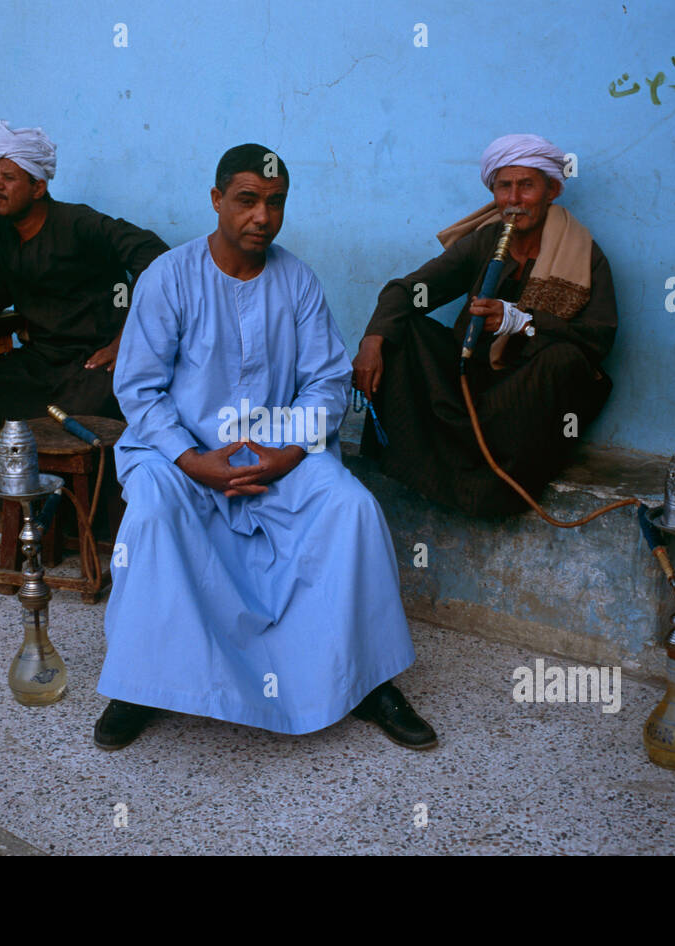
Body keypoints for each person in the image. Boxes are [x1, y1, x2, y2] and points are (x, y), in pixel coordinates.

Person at [94, 144, 436, 751]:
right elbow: (140, 389)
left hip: (281, 454)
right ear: (217, 199)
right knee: (150, 514)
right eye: (247, 200)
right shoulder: (169, 277)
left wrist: (293, 452)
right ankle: (139, 683)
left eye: (274, 204)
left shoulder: (297, 279)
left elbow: (327, 380)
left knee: (350, 508)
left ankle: (367, 680)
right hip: (180, 454)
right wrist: (190, 459)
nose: (262, 217)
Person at [352, 133, 618, 517]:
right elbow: (409, 291)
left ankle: (497, 487)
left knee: (563, 361)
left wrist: (523, 323)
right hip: (472, 382)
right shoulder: (484, 242)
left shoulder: (585, 255)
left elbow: (597, 341)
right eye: (504, 187)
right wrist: (372, 342)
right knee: (403, 330)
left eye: (526, 186)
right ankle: (424, 464)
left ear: (552, 190)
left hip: (528, 395)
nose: (513, 200)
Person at [0, 120, 168, 561]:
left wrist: (126, 339)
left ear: (38, 186)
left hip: (97, 356)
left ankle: (67, 519)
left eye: (8, 178)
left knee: (71, 413)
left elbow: (155, 257)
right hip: (44, 355)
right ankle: (12, 514)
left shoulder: (80, 224)